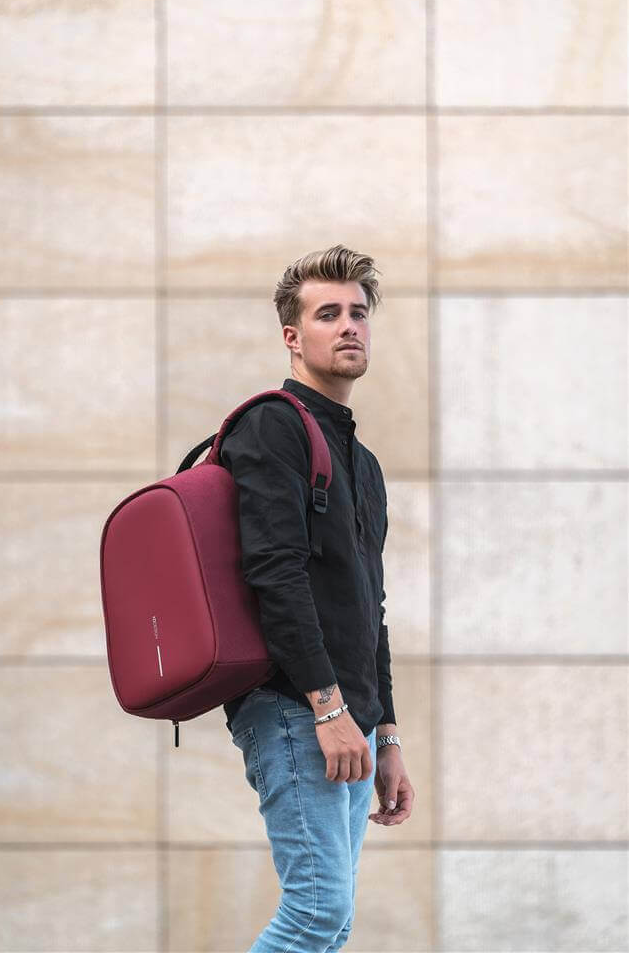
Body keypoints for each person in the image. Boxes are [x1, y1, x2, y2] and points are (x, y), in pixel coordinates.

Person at [219, 244, 415, 952]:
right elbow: (275, 574)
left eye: (358, 313)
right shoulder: (273, 426)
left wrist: (384, 734)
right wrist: (328, 707)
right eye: (328, 314)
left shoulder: (362, 462)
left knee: (330, 928)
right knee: (314, 915)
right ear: (293, 337)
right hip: (296, 705)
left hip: (347, 718)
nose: (349, 326)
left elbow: (369, 607)